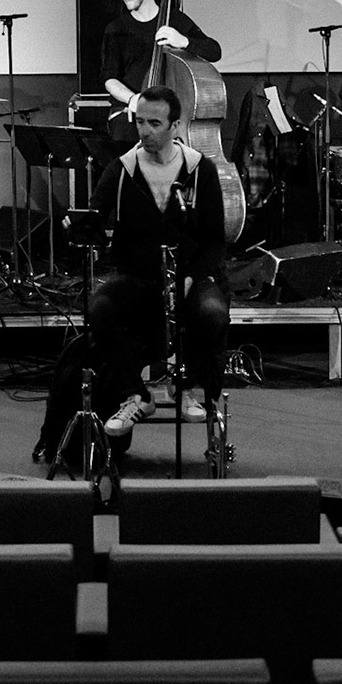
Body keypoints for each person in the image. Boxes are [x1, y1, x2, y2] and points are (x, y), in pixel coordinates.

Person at [92, 86, 231, 436]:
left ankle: (189, 388)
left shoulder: (200, 170)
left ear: (175, 125)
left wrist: (190, 276)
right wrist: (78, 226)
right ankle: (136, 394)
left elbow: (215, 240)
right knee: (100, 308)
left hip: (191, 274)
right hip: (140, 275)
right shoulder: (121, 169)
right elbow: (93, 219)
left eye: (154, 123)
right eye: (140, 122)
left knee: (211, 312)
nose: (145, 131)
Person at [101, 0, 221, 129]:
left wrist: (183, 41)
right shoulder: (116, 29)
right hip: (131, 114)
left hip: (172, 120)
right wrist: (132, 99)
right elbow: (110, 78)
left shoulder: (176, 21)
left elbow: (214, 51)